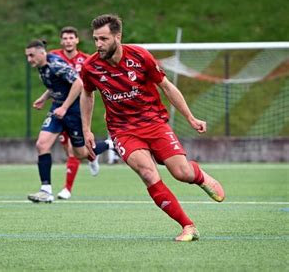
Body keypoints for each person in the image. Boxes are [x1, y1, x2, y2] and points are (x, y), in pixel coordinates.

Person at [80, 14, 225, 241]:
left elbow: (166, 87)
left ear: (118, 37)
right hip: (122, 130)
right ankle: (188, 226)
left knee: (181, 173)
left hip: (154, 123)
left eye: (104, 39)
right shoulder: (91, 66)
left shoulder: (140, 56)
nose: (98, 44)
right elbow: (87, 94)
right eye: (96, 39)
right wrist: (87, 129)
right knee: (148, 173)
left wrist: (190, 117)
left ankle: (197, 174)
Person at [25, 39, 111, 203]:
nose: (29, 59)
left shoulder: (56, 64)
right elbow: (55, 85)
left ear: (42, 53)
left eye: (31, 55)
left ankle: (109, 144)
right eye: (27, 56)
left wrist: (64, 107)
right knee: (42, 144)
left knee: (80, 154)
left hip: (73, 112)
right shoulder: (42, 67)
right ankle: (46, 190)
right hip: (57, 110)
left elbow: (78, 83)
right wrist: (44, 98)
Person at [47, 26, 102, 200]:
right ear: (61, 41)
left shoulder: (86, 60)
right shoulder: (54, 57)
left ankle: (67, 189)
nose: (68, 41)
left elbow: (91, 84)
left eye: (71, 38)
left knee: (73, 151)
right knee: (70, 150)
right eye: (65, 38)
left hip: (77, 109)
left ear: (77, 40)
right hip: (59, 108)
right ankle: (96, 153)